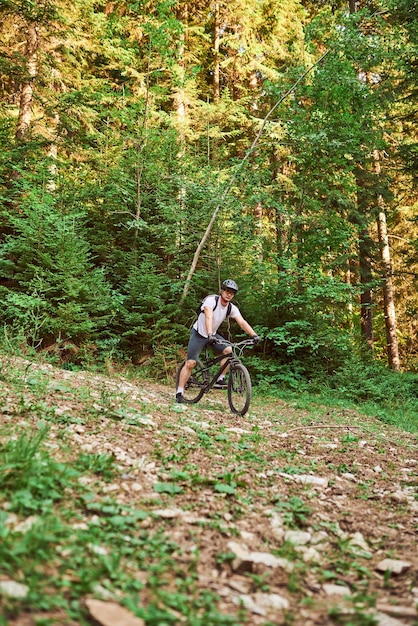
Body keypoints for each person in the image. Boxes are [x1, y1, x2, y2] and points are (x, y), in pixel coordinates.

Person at [176, 279, 260, 403]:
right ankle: (179, 392)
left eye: (232, 293)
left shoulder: (231, 308)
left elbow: (242, 322)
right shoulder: (211, 301)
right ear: (222, 291)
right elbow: (208, 316)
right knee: (191, 363)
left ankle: (220, 378)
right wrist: (209, 334)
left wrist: (254, 335)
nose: (229, 294)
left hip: (212, 335)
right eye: (227, 291)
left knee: (228, 350)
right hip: (199, 334)